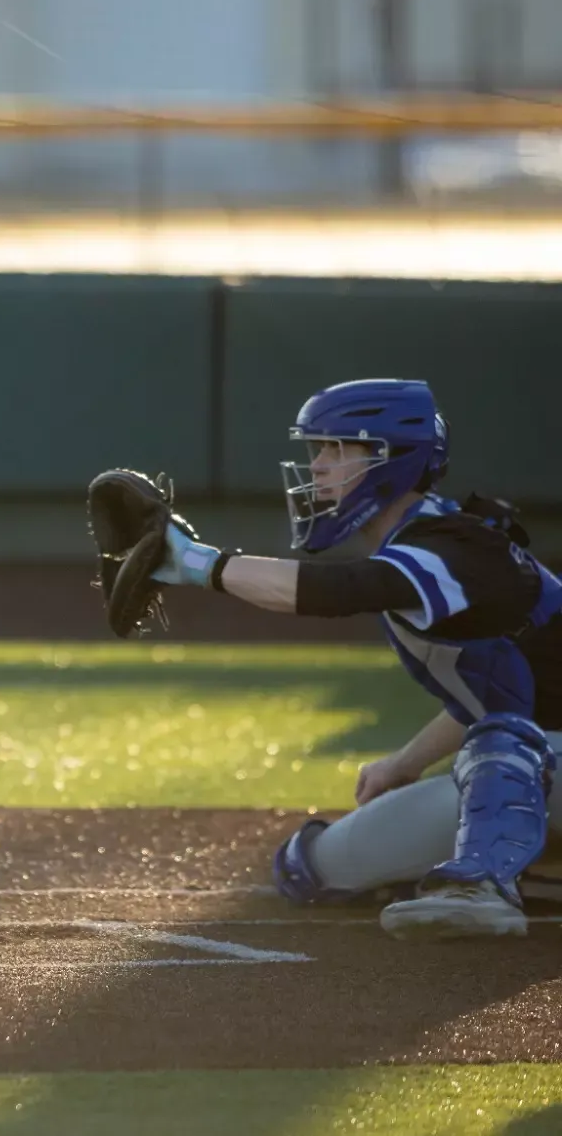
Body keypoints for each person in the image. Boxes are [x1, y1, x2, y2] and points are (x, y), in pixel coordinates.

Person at [144, 379, 562, 940]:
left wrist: (200, 564)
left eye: (338, 449)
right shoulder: (427, 541)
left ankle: (481, 887)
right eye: (317, 448)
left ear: (392, 461)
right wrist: (404, 762)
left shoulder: (455, 545)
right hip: (547, 764)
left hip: (536, 761)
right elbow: (502, 688)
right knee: (309, 868)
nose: (317, 466)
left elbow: (341, 590)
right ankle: (537, 875)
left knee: (499, 742)